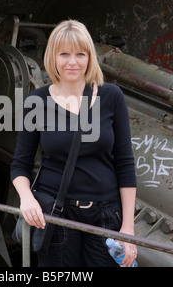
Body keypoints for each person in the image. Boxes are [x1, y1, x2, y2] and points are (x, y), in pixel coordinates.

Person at [10, 19, 137, 267]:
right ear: (53, 57)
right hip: (56, 214)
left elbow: (125, 164)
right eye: (64, 54)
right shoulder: (36, 101)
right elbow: (19, 164)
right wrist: (26, 198)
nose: (72, 62)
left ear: (89, 57)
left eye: (80, 54)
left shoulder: (111, 96)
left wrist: (128, 228)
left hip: (105, 215)